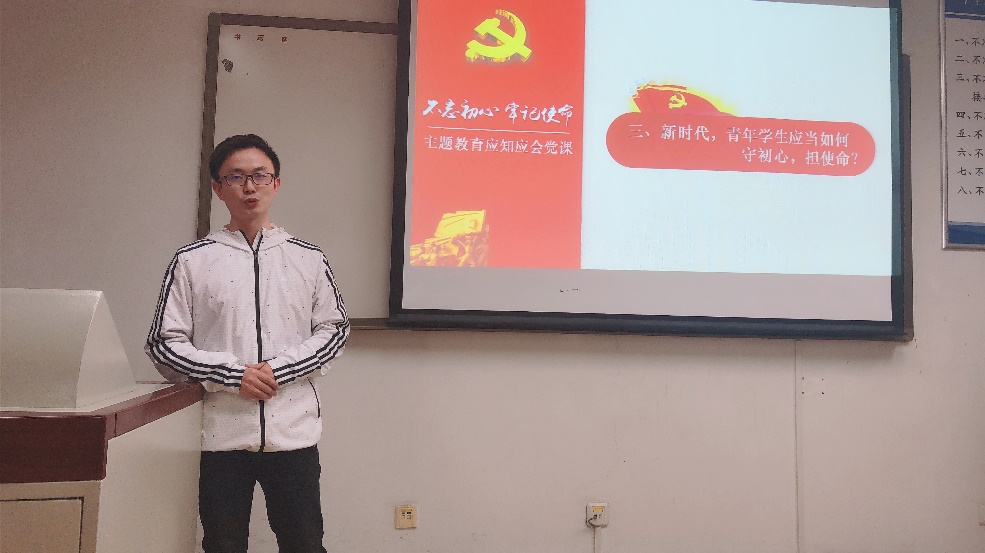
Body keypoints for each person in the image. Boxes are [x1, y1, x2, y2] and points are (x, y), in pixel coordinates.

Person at [146, 134, 349, 553]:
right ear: (219, 189)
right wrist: (232, 374)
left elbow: (334, 331)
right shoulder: (192, 260)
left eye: (260, 176)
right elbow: (164, 344)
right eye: (236, 177)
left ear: (277, 183)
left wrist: (279, 370)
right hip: (220, 436)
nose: (249, 187)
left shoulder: (309, 258)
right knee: (222, 545)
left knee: (304, 544)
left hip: (293, 434)